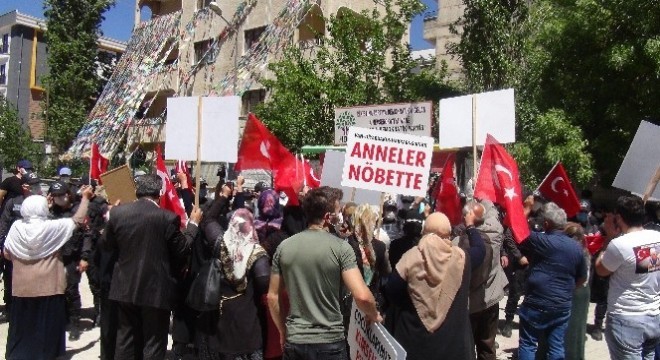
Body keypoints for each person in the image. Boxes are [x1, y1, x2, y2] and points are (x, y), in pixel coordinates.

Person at [267, 186, 381, 359]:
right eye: (338, 211)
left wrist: (283, 331)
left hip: (295, 341)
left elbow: (272, 297)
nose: (341, 215)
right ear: (328, 217)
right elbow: (362, 296)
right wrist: (374, 314)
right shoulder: (342, 248)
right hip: (330, 343)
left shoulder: (284, 247)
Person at [101, 174, 202, 359]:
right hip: (155, 291)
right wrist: (193, 224)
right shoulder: (167, 218)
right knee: (154, 344)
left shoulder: (117, 213)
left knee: (126, 340)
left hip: (125, 288)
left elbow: (106, 245)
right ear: (160, 193)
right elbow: (182, 250)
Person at [3, 185, 93, 359]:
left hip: (22, 289)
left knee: (23, 326)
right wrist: (85, 199)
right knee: (47, 328)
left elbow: (7, 253)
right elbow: (78, 220)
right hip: (49, 288)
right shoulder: (52, 228)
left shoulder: (16, 228)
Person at [385, 211, 486, 359]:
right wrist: (470, 226)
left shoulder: (411, 257)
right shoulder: (462, 257)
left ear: (424, 232)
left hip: (415, 344)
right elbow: (480, 250)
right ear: (449, 234)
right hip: (454, 347)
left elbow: (392, 291)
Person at [195, 208, 270, 360]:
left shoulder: (220, 244)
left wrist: (224, 196)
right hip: (247, 323)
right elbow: (263, 280)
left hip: (219, 320)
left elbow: (208, 219)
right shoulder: (257, 253)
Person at [518, 202, 588, 360]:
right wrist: (567, 290)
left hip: (536, 303)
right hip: (561, 305)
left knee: (528, 344)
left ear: (547, 224)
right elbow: (582, 277)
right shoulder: (576, 247)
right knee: (556, 346)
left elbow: (518, 229)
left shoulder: (542, 241)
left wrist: (527, 208)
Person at [595, 195, 660, 360]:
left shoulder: (619, 244)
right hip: (653, 316)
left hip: (626, 318)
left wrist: (609, 237)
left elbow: (601, 270)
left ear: (619, 217)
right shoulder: (656, 237)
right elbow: (643, 267)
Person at [0, 170, 41, 324]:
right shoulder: (13, 202)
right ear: (24, 186)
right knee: (11, 278)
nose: (36, 187)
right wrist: (1, 245)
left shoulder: (41, 203)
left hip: (34, 249)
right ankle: (11, 309)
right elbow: (3, 224)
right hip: (15, 249)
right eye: (32, 184)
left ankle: (32, 311)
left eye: (37, 184)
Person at [347, 204, 389, 313]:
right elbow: (387, 271)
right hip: (369, 300)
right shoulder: (380, 246)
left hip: (348, 298)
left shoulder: (345, 243)